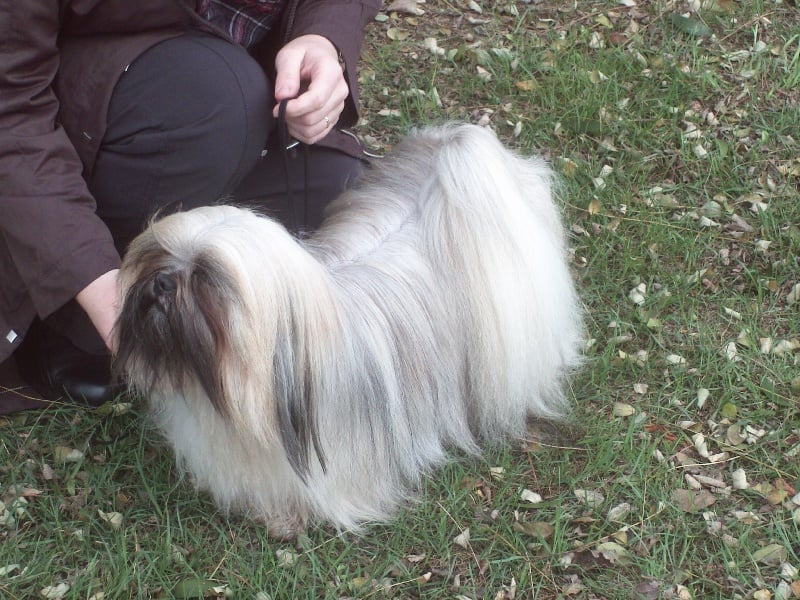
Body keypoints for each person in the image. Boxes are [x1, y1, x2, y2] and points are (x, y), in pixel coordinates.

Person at [0, 0, 381, 410]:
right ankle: (61, 323)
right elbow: (11, 110)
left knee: (333, 194)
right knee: (212, 96)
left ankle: (189, 319)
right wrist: (89, 280)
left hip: (237, 102)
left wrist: (322, 37)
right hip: (98, 103)